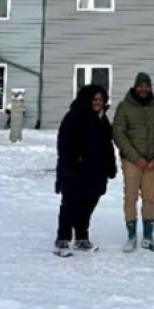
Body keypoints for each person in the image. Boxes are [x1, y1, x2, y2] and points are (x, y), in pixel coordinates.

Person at [54, 84, 117, 257]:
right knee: (70, 204)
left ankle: (81, 238)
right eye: (95, 99)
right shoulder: (73, 117)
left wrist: (111, 167)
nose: (98, 103)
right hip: (75, 170)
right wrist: (68, 167)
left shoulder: (102, 119)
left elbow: (107, 146)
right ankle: (63, 239)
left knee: (88, 205)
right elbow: (64, 144)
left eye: (101, 100)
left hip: (97, 171)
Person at [112, 72, 154, 253]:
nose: (144, 89)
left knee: (149, 198)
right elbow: (118, 134)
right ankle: (131, 236)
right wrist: (135, 158)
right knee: (130, 197)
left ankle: (148, 236)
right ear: (135, 86)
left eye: (147, 85)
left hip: (151, 162)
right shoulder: (124, 107)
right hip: (132, 161)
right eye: (141, 85)